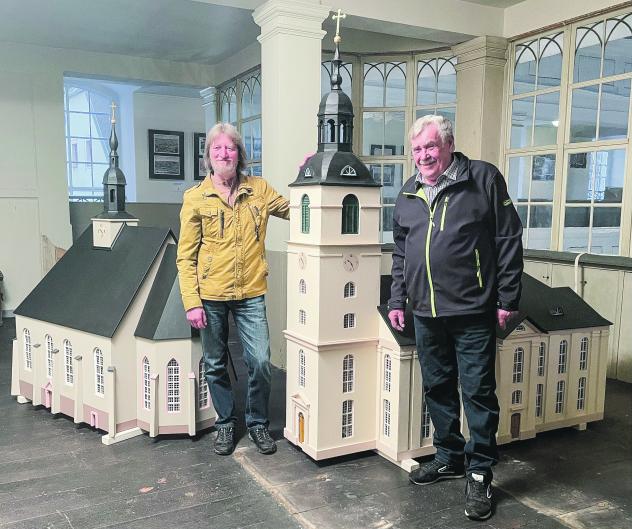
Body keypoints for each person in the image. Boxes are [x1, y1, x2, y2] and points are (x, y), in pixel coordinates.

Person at [387, 115, 523, 521]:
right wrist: (397, 298)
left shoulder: (482, 179)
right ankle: (449, 455)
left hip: (472, 309)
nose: (423, 155)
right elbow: (400, 252)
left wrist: (508, 298)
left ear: (448, 145)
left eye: (430, 146)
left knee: (478, 390)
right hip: (425, 311)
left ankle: (480, 470)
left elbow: (508, 239)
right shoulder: (408, 192)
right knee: (437, 386)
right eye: (417, 149)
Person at [176, 122, 289, 456]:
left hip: (251, 290)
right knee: (214, 362)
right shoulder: (195, 198)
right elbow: (185, 257)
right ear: (208, 157)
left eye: (230, 148)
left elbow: (297, 209)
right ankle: (225, 424)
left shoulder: (260, 190)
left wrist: (311, 176)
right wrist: (191, 301)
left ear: (240, 154)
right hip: (209, 296)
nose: (224, 154)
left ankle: (257, 424)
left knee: (260, 361)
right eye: (217, 149)